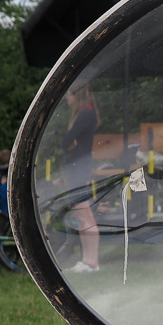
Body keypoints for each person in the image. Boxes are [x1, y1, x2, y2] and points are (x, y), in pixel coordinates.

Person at [62, 82, 100, 273]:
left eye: (69, 95)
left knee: (85, 216)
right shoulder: (86, 114)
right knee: (82, 215)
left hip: (79, 169)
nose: (67, 98)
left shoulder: (86, 114)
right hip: (76, 168)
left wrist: (69, 143)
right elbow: (68, 141)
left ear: (76, 95)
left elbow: (65, 141)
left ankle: (92, 262)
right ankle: (87, 260)